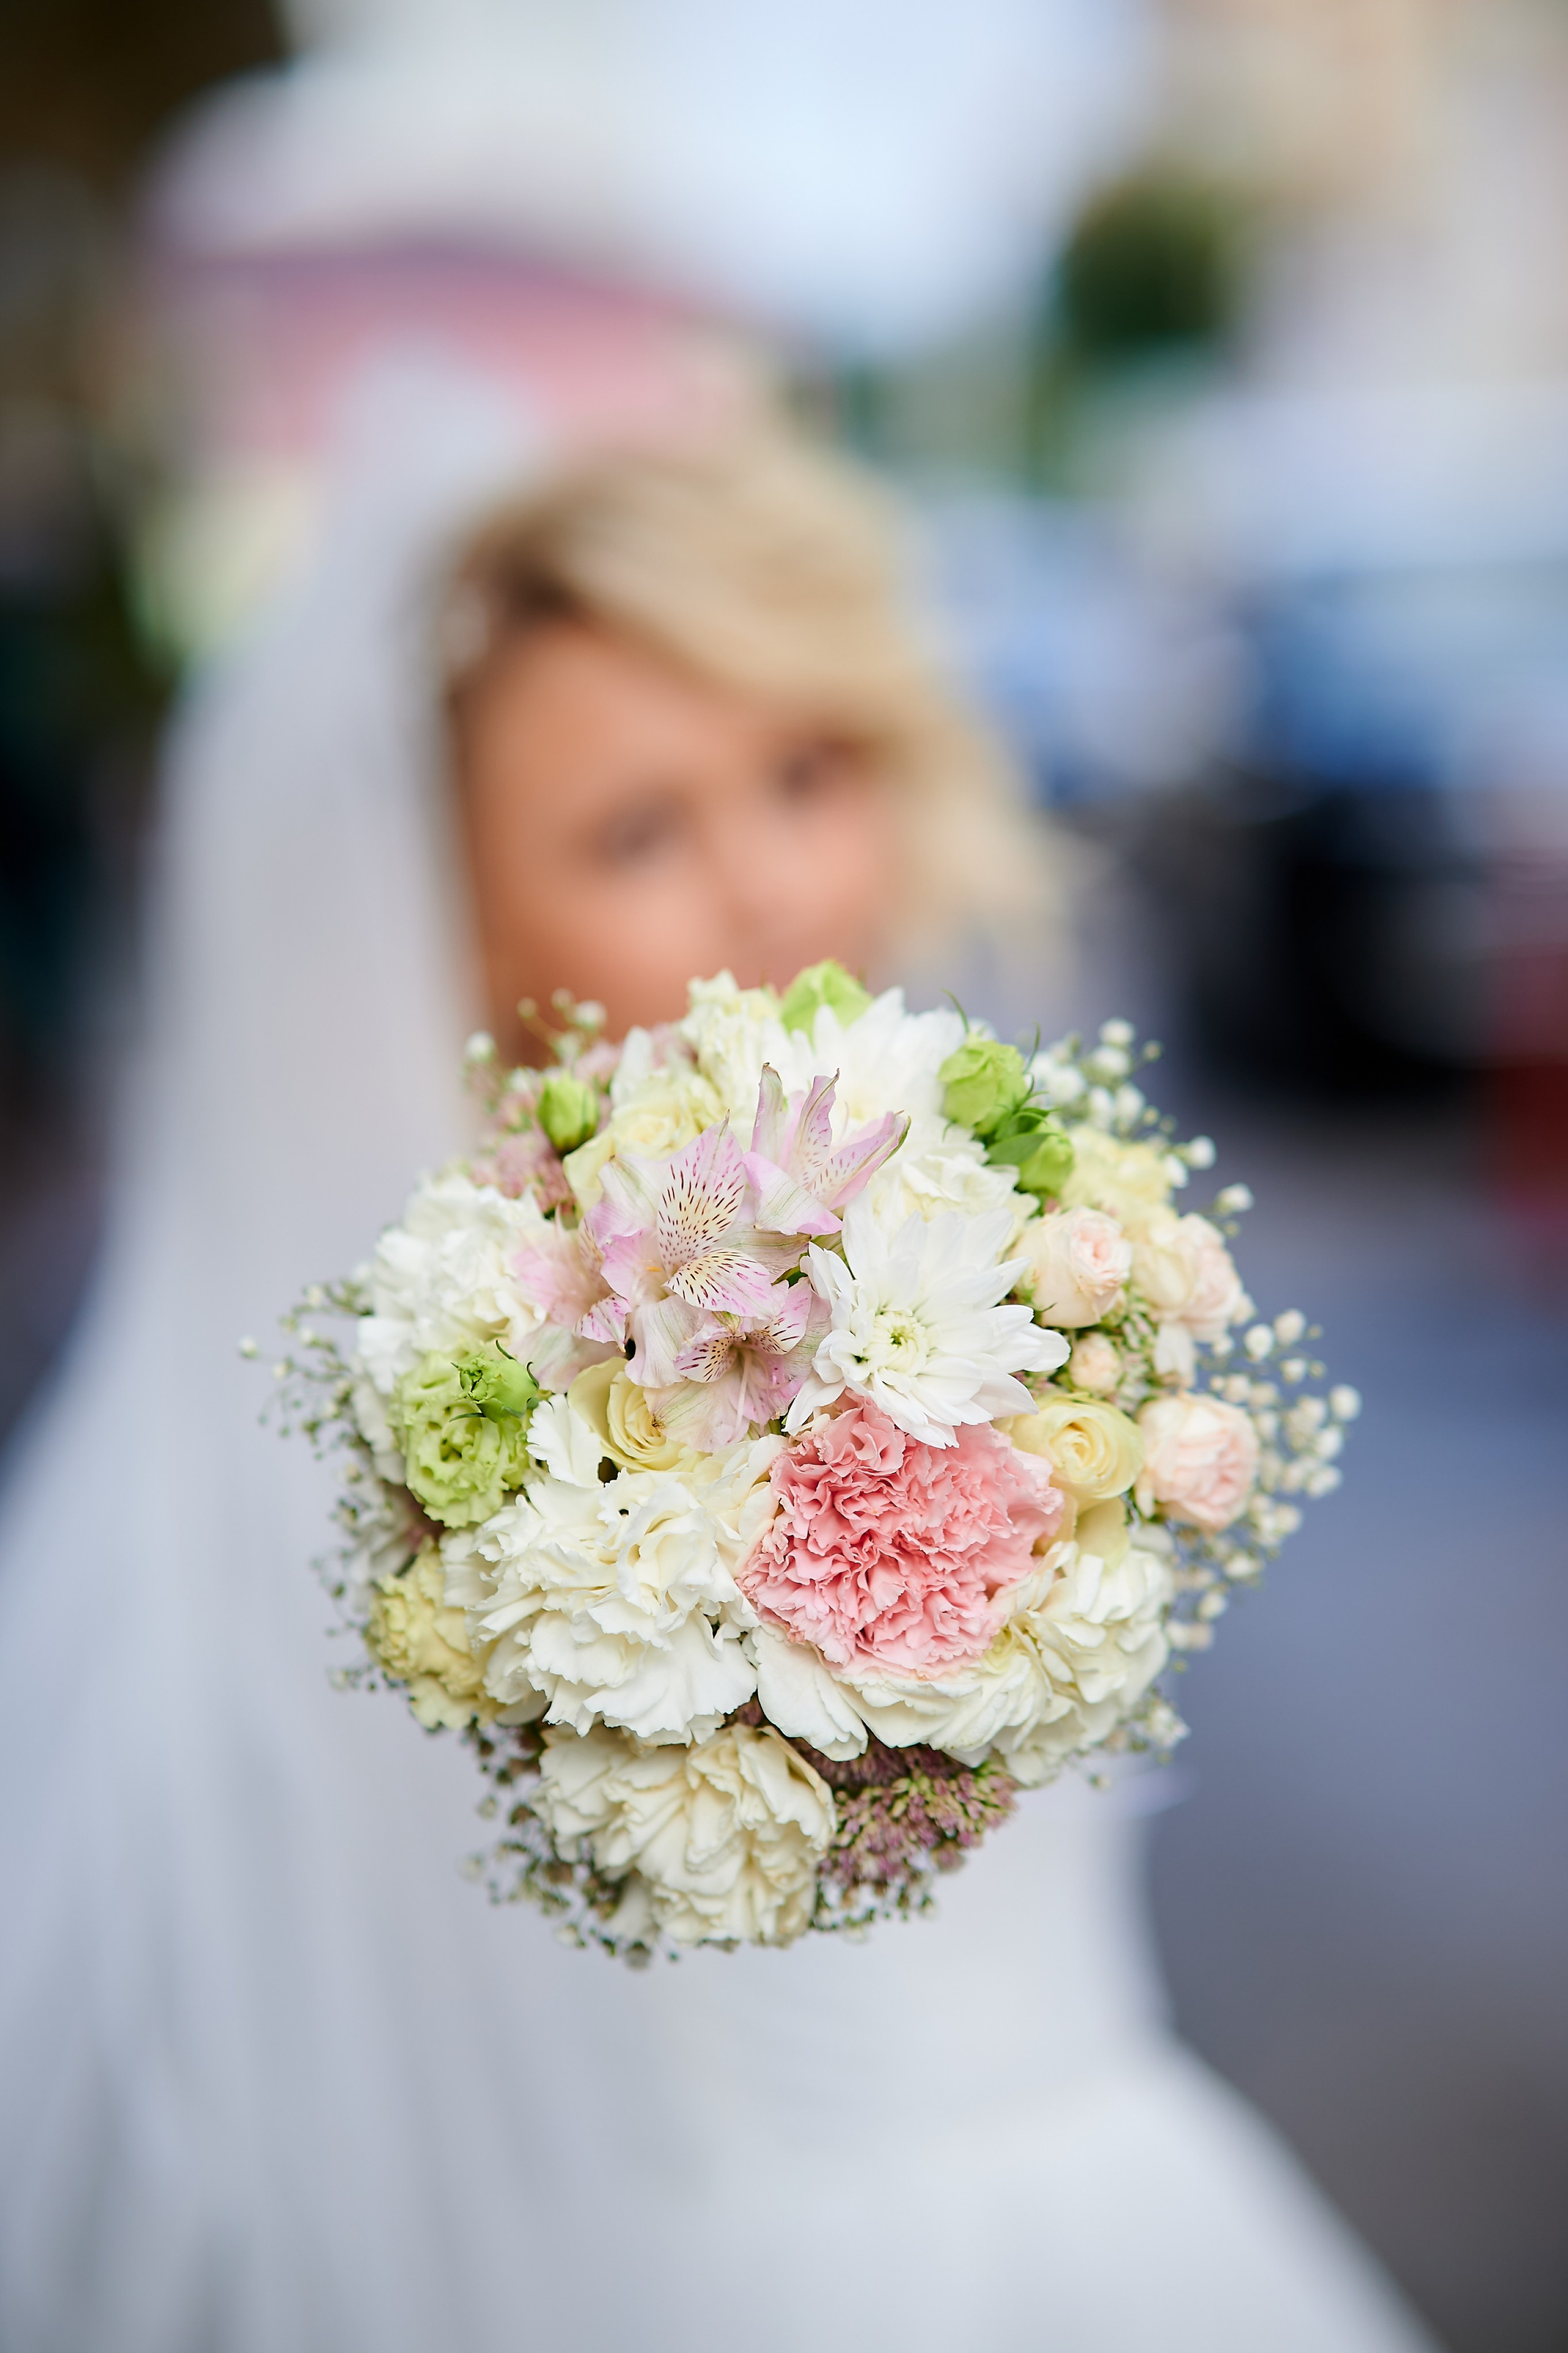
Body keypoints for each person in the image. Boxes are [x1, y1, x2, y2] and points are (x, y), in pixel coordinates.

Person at [0, 380, 1437, 2352]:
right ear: (460, 917)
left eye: (804, 768)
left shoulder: (976, 1221)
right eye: (634, 830)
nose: (770, 884)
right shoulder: (478, 1403)